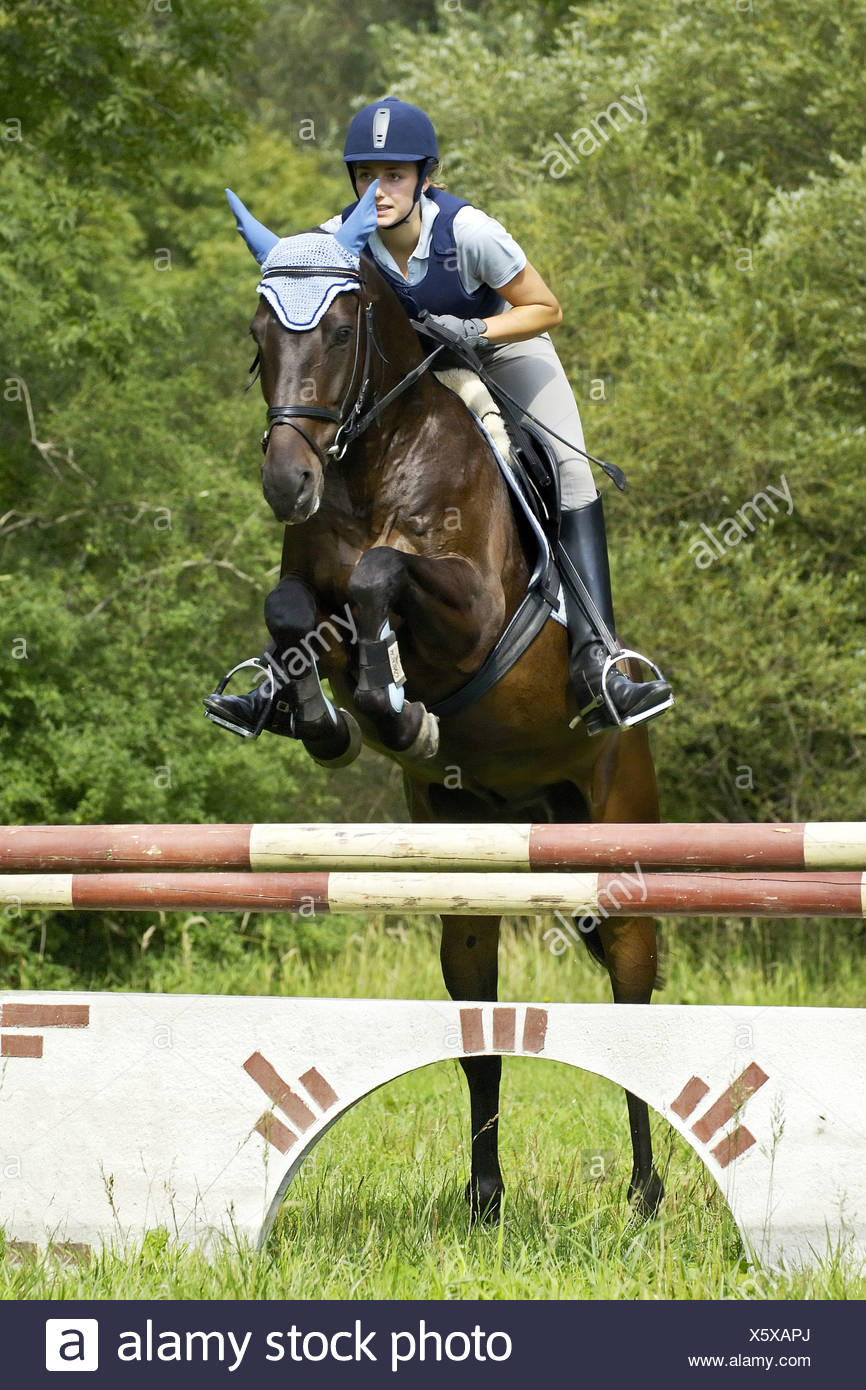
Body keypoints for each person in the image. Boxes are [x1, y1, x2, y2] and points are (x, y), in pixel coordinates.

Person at [205, 97, 673, 738]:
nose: (379, 190)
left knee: (566, 468)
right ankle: (280, 675)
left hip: (501, 350)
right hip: (408, 378)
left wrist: (475, 328)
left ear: (426, 175)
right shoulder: (338, 237)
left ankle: (600, 657)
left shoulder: (469, 231)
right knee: (328, 462)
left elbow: (544, 307)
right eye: (366, 176)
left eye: (394, 175)